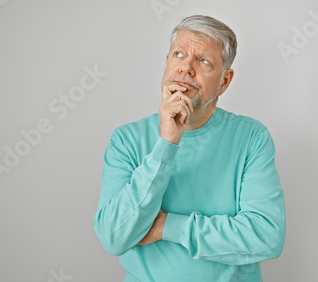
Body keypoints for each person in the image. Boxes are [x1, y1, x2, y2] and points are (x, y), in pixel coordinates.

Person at [93, 15, 286, 282]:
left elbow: (266, 237)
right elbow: (114, 237)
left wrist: (167, 226)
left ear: (225, 81)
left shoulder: (252, 137)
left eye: (203, 61)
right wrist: (167, 143)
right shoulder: (126, 139)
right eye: (179, 54)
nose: (186, 68)